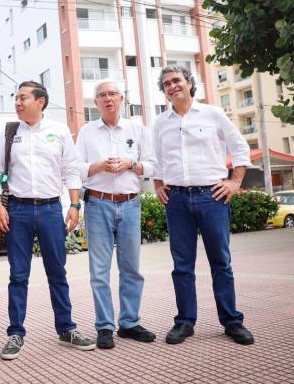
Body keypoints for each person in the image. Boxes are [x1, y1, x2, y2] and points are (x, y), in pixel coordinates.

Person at [0, 81, 95, 360]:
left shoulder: (59, 131)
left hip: (51, 210)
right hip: (19, 211)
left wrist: (74, 204)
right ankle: (15, 333)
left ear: (41, 101)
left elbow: (71, 170)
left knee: (57, 272)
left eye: (23, 97)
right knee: (18, 274)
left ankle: (66, 328)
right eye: (16, 98)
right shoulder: (10, 133)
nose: (17, 102)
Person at [152, 64, 254, 345]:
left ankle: (232, 321)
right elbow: (157, 161)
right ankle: (185, 322)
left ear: (189, 83)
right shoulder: (160, 123)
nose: (172, 86)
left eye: (176, 80)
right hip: (177, 201)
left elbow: (240, 148)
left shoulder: (213, 114)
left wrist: (234, 182)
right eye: (166, 84)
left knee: (221, 262)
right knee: (182, 265)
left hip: (213, 197)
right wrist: (158, 186)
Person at [76, 81, 157, 349]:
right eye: (101, 95)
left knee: (131, 268)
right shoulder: (87, 132)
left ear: (122, 97)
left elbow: (153, 166)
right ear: (95, 102)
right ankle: (104, 326)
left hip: (130, 204)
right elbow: (76, 168)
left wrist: (131, 164)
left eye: (112, 94)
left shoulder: (137, 129)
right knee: (99, 271)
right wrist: (97, 166)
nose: (107, 98)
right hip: (98, 205)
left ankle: (130, 322)